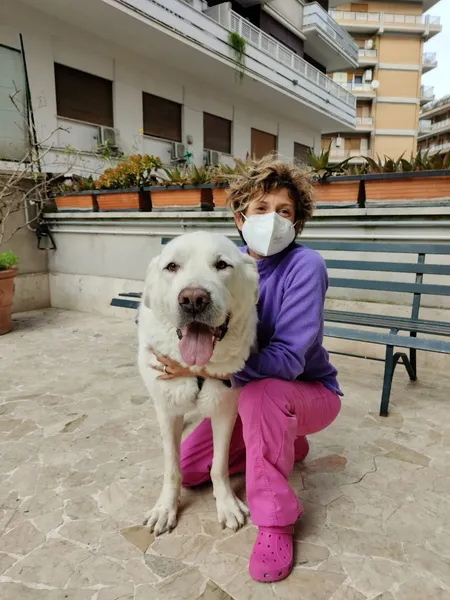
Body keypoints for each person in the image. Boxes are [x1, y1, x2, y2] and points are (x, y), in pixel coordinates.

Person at [153, 156, 342, 583]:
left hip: (307, 390)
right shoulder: (227, 261)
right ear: (240, 218)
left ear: (297, 223)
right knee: (193, 468)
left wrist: (202, 370)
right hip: (248, 391)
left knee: (262, 394)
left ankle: (275, 522)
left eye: (285, 211)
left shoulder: (305, 266)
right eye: (261, 208)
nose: (272, 219)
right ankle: (286, 443)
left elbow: (289, 360)